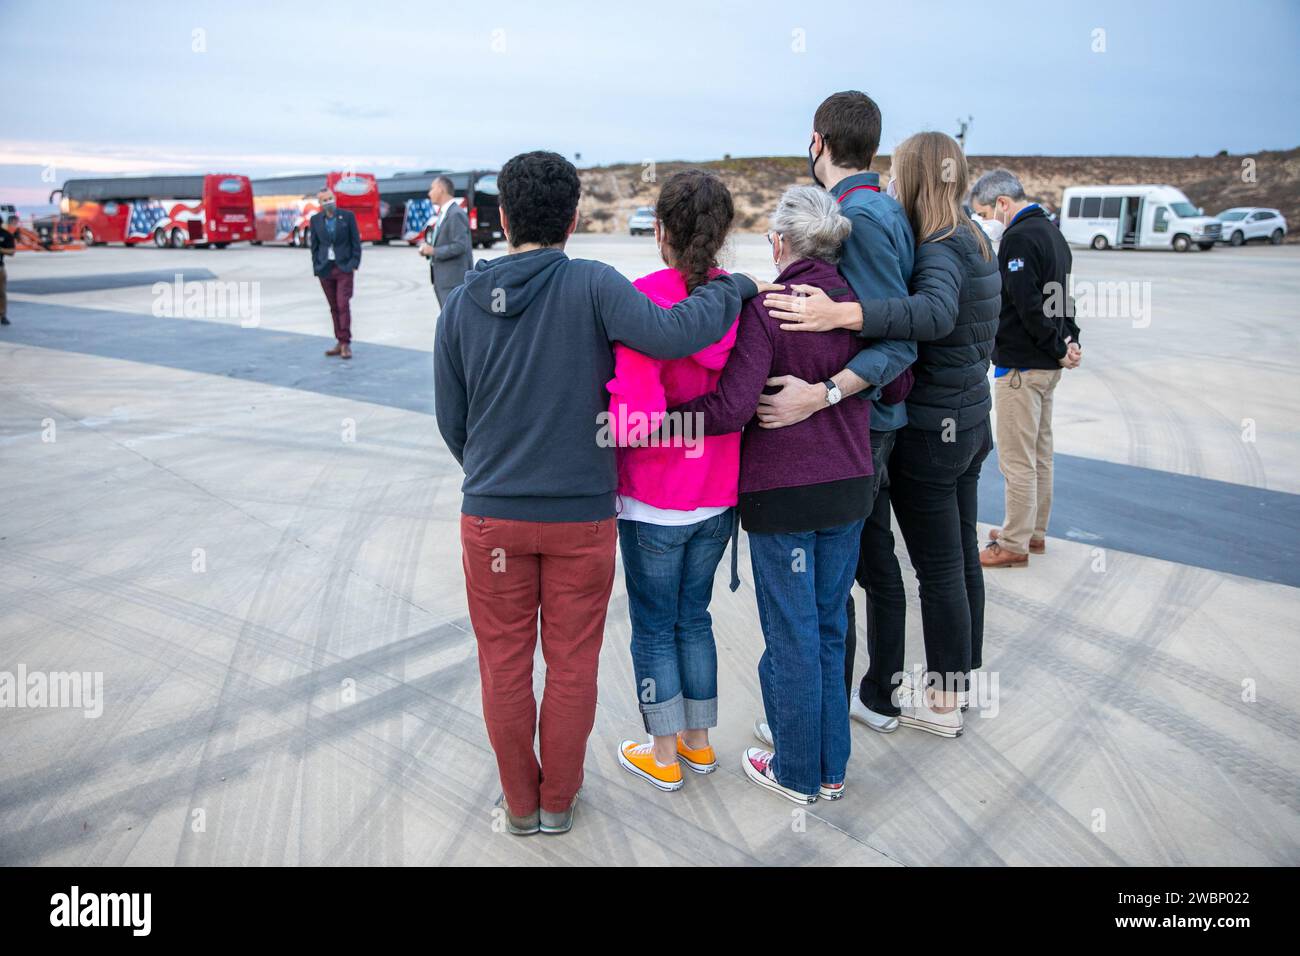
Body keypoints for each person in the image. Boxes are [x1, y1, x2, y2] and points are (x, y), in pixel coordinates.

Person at [433, 151, 762, 836]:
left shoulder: (462, 301)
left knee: (502, 666)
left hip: (493, 517)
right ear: (575, 219)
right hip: (582, 520)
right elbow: (679, 331)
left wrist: (498, 476)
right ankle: (560, 802)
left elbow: (453, 424)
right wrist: (732, 290)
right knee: (573, 667)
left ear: (500, 218)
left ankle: (521, 807)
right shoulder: (595, 286)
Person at [672, 185, 908, 805]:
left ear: (779, 243)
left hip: (784, 497)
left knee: (793, 635)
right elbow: (900, 381)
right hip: (849, 487)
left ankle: (797, 771)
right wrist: (840, 386)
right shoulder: (857, 306)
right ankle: (831, 769)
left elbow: (728, 408)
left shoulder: (770, 307)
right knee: (828, 627)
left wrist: (658, 414)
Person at [771, 133, 1001, 737]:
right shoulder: (976, 235)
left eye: (899, 175)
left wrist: (844, 314)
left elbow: (932, 316)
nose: (891, 186)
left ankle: (940, 701)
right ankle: (956, 683)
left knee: (935, 566)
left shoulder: (943, 245)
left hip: (934, 429)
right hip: (972, 417)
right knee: (955, 560)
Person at [758, 91, 916, 738]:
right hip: (854, 434)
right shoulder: (873, 209)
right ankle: (843, 713)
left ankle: (813, 725)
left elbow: (897, 342)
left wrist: (820, 393)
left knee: (826, 598)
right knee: (851, 579)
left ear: (817, 141)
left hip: (854, 431)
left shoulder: (864, 216)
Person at [607, 170, 742, 793]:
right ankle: (699, 741)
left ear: (659, 230)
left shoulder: (643, 299)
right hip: (717, 494)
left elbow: (634, 418)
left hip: (654, 498)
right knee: (696, 617)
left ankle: (662, 751)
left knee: (655, 626)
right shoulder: (734, 301)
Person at [969, 169, 1081, 569]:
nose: (986, 221)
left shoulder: (1018, 238)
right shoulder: (1052, 233)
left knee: (1016, 460)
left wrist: (1055, 346)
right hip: (1048, 365)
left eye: (985, 212)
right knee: (1039, 455)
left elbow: (1030, 305)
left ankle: (1014, 542)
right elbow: (1063, 297)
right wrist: (1070, 341)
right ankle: (1032, 531)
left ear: (1002, 203)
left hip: (1022, 365)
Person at [309, 188, 362, 359]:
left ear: (335, 198)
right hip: (325, 269)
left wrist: (354, 263)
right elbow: (315, 246)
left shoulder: (347, 217)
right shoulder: (315, 220)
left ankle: (346, 342)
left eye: (330, 198)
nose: (328, 202)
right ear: (320, 203)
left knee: (342, 304)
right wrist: (316, 266)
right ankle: (339, 340)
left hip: (344, 268)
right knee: (333, 307)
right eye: (324, 200)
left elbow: (356, 242)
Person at [418, 175, 473, 307]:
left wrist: (433, 251)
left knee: (454, 323)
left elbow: (460, 246)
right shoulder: (445, 213)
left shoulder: (456, 214)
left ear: (441, 189)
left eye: (432, 189)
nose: (429, 193)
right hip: (443, 281)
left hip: (453, 282)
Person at [0, 214, 18, 325]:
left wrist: (1, 250)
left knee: (1, 293)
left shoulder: (6, 235)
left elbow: (12, 251)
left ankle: (3, 315)